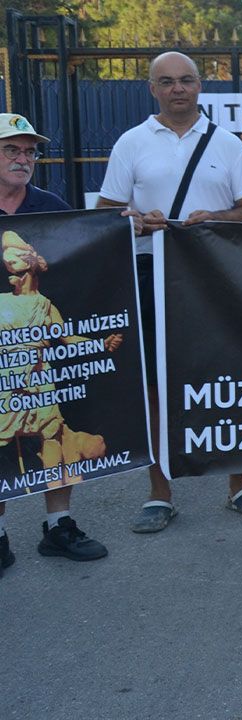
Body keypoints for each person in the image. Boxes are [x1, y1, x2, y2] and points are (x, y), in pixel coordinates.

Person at [96, 51, 242, 533]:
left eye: (187, 80)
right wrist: (138, 222)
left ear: (199, 87)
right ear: (152, 89)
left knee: (227, 380)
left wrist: (215, 218)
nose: (178, 89)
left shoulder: (227, 144)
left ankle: (240, 484)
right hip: (152, 274)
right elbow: (107, 214)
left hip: (214, 277)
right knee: (156, 387)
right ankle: (160, 493)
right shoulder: (131, 142)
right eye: (168, 81)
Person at [0, 114, 110, 576]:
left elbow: (87, 250)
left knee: (54, 437)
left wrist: (120, 227)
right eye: (11, 149)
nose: (23, 159)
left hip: (39, 365)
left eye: (30, 151)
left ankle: (59, 525)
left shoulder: (50, 206)